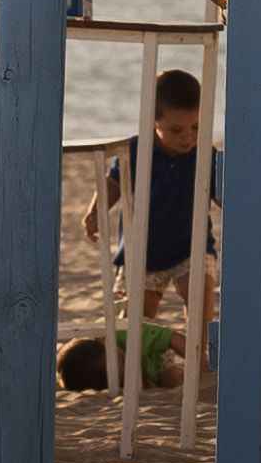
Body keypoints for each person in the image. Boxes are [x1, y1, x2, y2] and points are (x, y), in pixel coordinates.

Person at [79, 68, 218, 332]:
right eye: (177, 129)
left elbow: (222, 193)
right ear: (153, 119)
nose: (188, 136)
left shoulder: (204, 154)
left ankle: (199, 360)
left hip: (191, 246)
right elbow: (112, 184)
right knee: (138, 321)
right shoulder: (135, 149)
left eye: (196, 127)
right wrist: (95, 212)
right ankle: (143, 370)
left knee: (200, 296)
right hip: (141, 251)